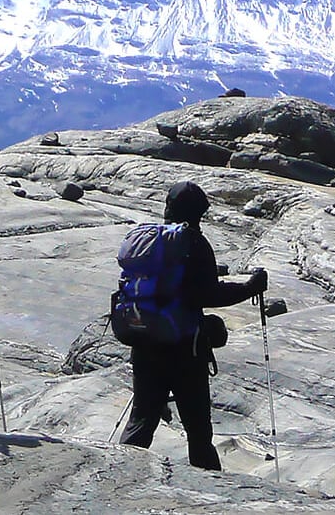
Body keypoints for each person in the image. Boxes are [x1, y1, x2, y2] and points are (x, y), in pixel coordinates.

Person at [117, 181, 267, 470]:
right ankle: (211, 495)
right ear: (198, 212)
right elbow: (208, 294)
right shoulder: (194, 243)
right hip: (186, 350)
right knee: (198, 432)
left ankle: (117, 479)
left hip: (145, 345)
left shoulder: (146, 242)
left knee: (141, 422)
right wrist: (251, 287)